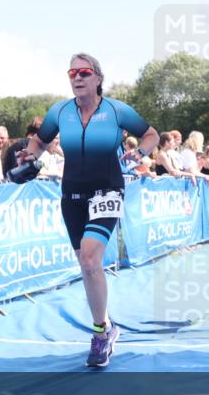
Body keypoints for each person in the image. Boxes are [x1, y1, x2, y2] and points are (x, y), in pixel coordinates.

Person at [17, 53, 158, 368]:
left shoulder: (116, 110)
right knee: (86, 263)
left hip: (107, 190)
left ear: (97, 78)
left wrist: (143, 152)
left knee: (92, 257)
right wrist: (29, 154)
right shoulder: (60, 111)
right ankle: (107, 326)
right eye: (72, 72)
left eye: (83, 72)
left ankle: (98, 334)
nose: (76, 77)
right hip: (72, 196)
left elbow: (152, 134)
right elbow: (38, 142)